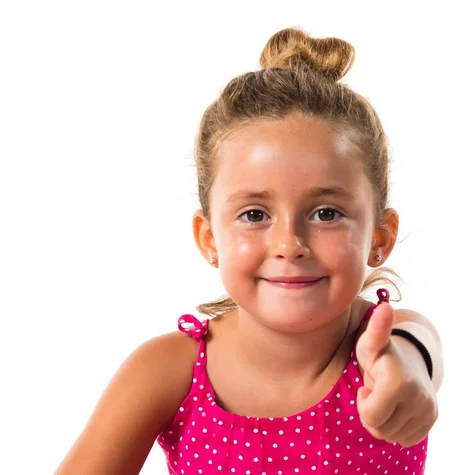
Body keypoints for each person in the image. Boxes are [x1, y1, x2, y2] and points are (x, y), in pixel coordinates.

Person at [55, 27, 444, 475]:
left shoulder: (386, 350)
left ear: (380, 237)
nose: (289, 245)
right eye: (255, 215)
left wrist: (410, 374)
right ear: (209, 239)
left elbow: (419, 350)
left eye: (326, 213)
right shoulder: (168, 372)